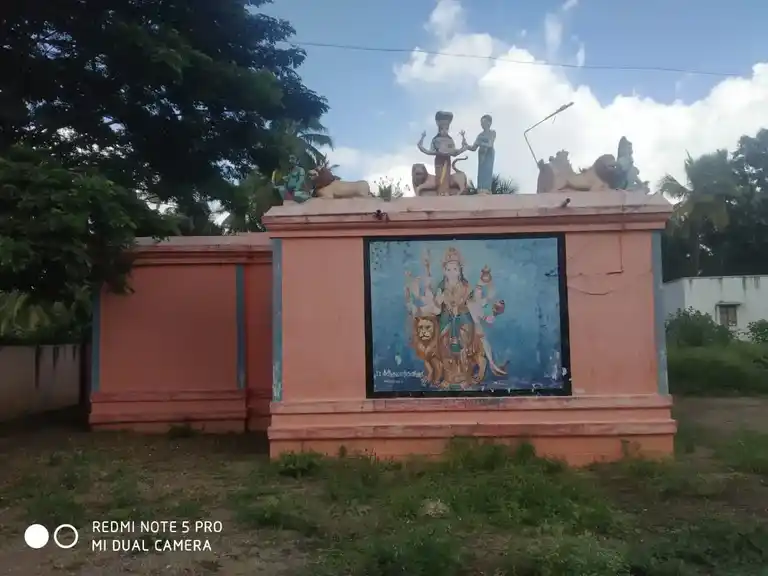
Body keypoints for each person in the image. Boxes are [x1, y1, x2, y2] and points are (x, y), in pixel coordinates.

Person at [464, 115, 496, 194]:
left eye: (484, 122)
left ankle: (487, 189)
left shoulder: (492, 133)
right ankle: (481, 188)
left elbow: (490, 144)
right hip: (481, 154)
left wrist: (481, 143)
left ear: (489, 123)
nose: (482, 124)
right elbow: (473, 148)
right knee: (481, 171)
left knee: (488, 170)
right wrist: (466, 145)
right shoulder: (480, 135)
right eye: (481, 123)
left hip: (489, 153)